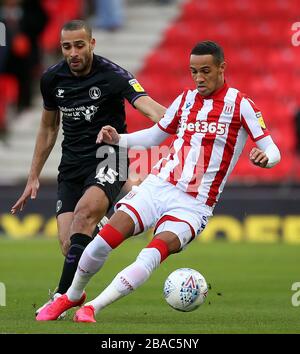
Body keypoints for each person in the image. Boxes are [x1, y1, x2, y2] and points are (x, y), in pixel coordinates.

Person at [35, 40, 281, 322]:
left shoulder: (241, 105)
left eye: (205, 71)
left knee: (151, 253)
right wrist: (120, 139)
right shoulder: (185, 100)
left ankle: (93, 307)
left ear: (222, 68)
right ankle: (73, 295)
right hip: (158, 186)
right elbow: (155, 136)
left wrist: (267, 158)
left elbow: (272, 149)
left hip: (193, 204)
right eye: (193, 72)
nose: (199, 78)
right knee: (102, 242)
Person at [11, 19, 166, 317]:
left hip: (110, 156)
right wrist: (33, 175)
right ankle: (117, 219)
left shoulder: (114, 75)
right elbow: (47, 127)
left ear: (92, 44)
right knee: (69, 245)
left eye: (79, 45)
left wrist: (181, 121)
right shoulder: (52, 79)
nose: (73, 53)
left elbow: (150, 107)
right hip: (71, 164)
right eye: (67, 47)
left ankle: (60, 297)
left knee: (84, 215)